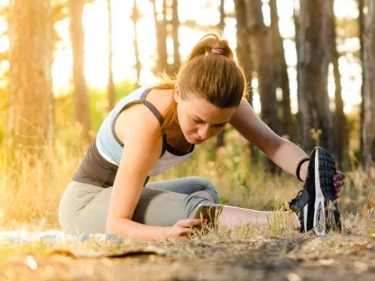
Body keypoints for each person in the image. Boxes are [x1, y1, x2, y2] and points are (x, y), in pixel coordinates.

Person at [58, 33, 345, 241]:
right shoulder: (147, 123)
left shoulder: (221, 102)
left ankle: (308, 211)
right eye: (197, 120)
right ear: (178, 94)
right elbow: (116, 223)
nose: (204, 133)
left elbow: (275, 145)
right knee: (195, 210)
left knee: (203, 188)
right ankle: (296, 220)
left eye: (218, 126)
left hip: (121, 198)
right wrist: (165, 233)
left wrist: (310, 173)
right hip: (85, 208)